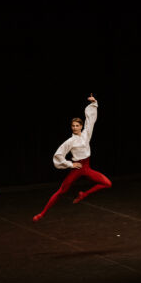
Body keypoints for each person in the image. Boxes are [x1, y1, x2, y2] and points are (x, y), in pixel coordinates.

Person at [33, 94, 112, 222]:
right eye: (73, 126)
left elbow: (90, 119)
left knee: (107, 183)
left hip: (86, 167)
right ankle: (42, 213)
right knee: (61, 191)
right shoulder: (70, 141)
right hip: (77, 168)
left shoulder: (87, 133)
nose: (75, 127)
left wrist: (93, 103)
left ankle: (84, 194)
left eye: (77, 125)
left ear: (80, 126)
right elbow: (58, 155)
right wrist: (70, 164)